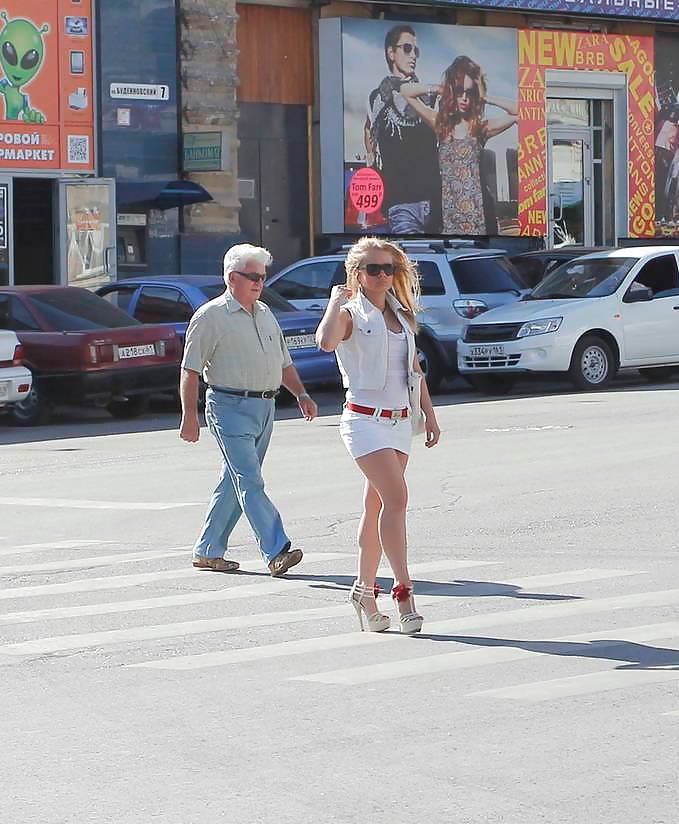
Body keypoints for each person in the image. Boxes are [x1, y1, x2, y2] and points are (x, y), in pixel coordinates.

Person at [316, 237, 441, 634]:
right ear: (357, 273)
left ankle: (362, 591)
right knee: (397, 498)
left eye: (389, 269)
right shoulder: (351, 312)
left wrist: (430, 414)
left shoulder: (402, 316)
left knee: (376, 507)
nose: (383, 276)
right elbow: (326, 342)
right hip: (363, 420)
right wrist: (336, 300)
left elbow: (414, 369)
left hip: (400, 420)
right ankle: (403, 590)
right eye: (373, 269)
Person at [179, 243, 318, 576]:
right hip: (228, 407)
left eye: (262, 277)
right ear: (231, 278)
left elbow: (283, 363)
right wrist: (189, 415)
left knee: (235, 481)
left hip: (265, 407)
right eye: (252, 276)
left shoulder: (266, 313)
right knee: (250, 481)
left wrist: (301, 394)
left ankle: (208, 550)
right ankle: (276, 549)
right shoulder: (210, 316)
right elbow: (190, 369)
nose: (259, 283)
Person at [401, 55, 517, 235]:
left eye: (469, 93)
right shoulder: (440, 124)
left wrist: (484, 97)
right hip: (448, 219)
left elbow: (518, 112)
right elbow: (406, 90)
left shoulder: (480, 129)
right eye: (459, 91)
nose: (464, 98)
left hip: (479, 220)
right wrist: (442, 89)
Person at [364, 25, 441, 234]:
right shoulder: (378, 97)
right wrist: (372, 157)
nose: (413, 55)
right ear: (391, 53)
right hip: (401, 205)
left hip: (435, 202)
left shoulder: (428, 97)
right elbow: (371, 127)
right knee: (413, 263)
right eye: (407, 48)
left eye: (416, 50)